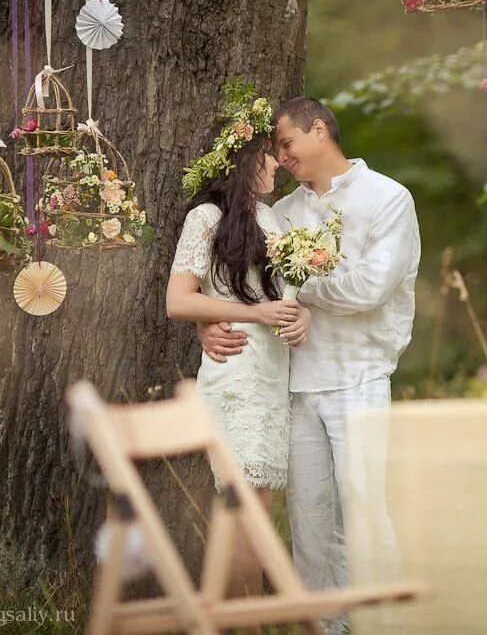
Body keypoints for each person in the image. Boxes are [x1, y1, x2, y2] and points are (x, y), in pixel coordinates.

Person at [199, 96, 419, 633]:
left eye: (287, 143)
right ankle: (326, 625)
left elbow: (371, 286)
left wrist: (299, 290)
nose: (282, 156)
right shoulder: (283, 214)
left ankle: (383, 621)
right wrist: (215, 319)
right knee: (310, 521)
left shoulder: (388, 198)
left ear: (319, 129)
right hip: (293, 383)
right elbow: (246, 284)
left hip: (359, 375)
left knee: (363, 506)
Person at [166, 83, 311, 595]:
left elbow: (283, 299)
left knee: (257, 510)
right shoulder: (206, 218)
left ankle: (234, 616)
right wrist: (247, 314)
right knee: (245, 510)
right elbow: (180, 301)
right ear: (251, 160)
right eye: (272, 156)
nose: (278, 165)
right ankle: (241, 621)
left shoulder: (272, 220)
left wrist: (298, 318)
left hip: (272, 377)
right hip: (237, 373)